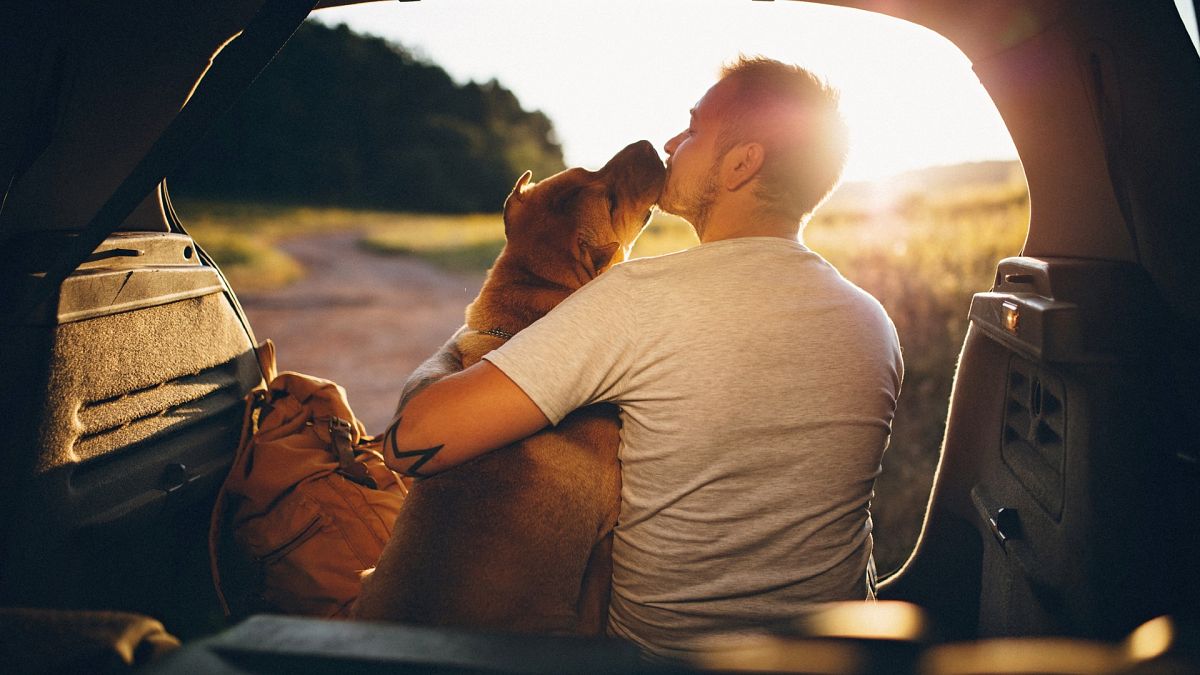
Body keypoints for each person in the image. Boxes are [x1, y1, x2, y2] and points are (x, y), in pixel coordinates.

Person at [382, 56, 903, 659]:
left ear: (741, 163)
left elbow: (408, 442)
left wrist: (468, 345)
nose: (671, 143)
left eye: (693, 129)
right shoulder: (873, 320)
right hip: (833, 659)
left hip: (661, 661)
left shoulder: (636, 299)